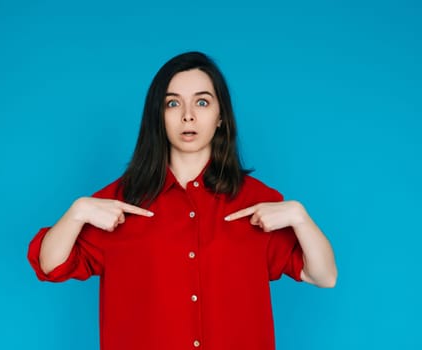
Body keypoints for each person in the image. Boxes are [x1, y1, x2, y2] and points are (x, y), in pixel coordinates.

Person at [27, 51, 337, 350]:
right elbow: (50, 264)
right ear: (157, 118)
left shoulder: (257, 201)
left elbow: (323, 276)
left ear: (220, 117)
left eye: (202, 102)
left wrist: (300, 216)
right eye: (173, 104)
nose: (188, 115)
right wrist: (78, 211)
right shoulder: (120, 201)